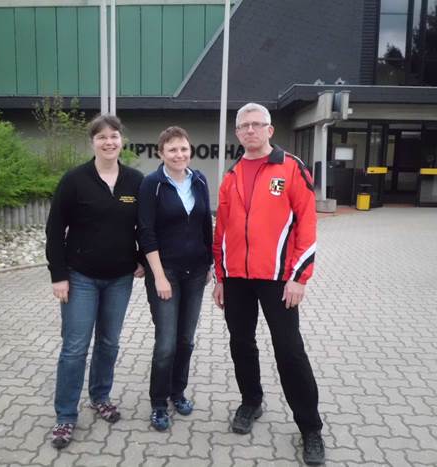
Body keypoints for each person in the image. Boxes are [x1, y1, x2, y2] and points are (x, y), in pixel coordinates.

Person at [212, 103, 325, 465]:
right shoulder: (230, 175)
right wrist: (220, 276)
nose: (249, 131)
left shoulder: (291, 168)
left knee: (289, 350)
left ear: (270, 130)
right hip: (237, 280)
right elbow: (222, 232)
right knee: (241, 344)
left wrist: (299, 278)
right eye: (243, 126)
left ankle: (310, 428)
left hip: (279, 281)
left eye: (256, 125)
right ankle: (251, 402)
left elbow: (307, 225)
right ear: (237, 132)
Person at [45, 114, 144, 449]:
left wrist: (143, 260)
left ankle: (100, 396)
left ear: (121, 141)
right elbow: (55, 230)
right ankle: (65, 416)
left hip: (120, 278)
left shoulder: (135, 181)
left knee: (109, 343)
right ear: (93, 143)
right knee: (75, 348)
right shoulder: (75, 180)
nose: (109, 142)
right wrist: (58, 275)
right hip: (80, 277)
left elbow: (145, 227)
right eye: (101, 137)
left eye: (114, 136)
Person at [138, 126, 213, 431]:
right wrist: (158, 276)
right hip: (165, 272)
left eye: (183, 148)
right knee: (167, 342)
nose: (179, 154)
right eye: (172, 150)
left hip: (195, 272)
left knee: (186, 339)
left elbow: (206, 223)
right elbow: (146, 232)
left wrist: (209, 263)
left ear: (189, 150)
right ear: (161, 153)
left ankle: (177, 392)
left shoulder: (200, 180)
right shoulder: (152, 184)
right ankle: (158, 403)